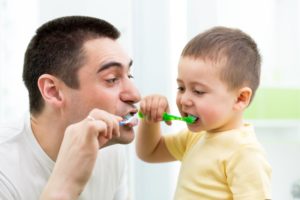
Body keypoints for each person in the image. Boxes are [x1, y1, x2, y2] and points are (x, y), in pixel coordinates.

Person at [0, 16, 141, 200]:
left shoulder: (109, 150)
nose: (135, 94)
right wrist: (65, 187)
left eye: (129, 76)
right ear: (53, 91)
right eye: (112, 79)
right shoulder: (5, 174)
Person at [136, 26, 272, 199]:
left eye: (198, 91)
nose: (184, 99)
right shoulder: (194, 137)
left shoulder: (244, 152)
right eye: (181, 88)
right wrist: (150, 120)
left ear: (240, 99)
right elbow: (150, 152)